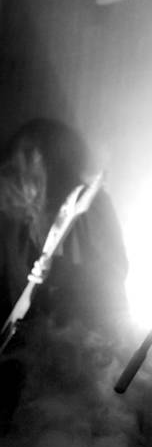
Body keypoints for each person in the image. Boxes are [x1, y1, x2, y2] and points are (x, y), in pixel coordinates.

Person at [0, 118, 128, 431]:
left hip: (87, 357)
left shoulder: (89, 203)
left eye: (34, 157)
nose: (25, 168)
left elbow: (115, 269)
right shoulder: (18, 221)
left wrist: (65, 279)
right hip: (30, 364)